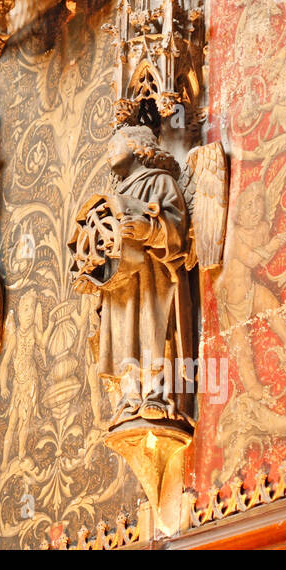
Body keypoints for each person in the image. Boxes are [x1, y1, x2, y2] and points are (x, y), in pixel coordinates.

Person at [93, 125, 193, 427]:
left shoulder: (160, 182)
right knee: (124, 332)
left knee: (152, 326)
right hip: (120, 283)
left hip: (152, 274)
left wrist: (150, 230)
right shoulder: (113, 197)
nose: (110, 149)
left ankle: (158, 393)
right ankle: (129, 395)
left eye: (117, 143)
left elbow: (178, 224)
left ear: (138, 147)